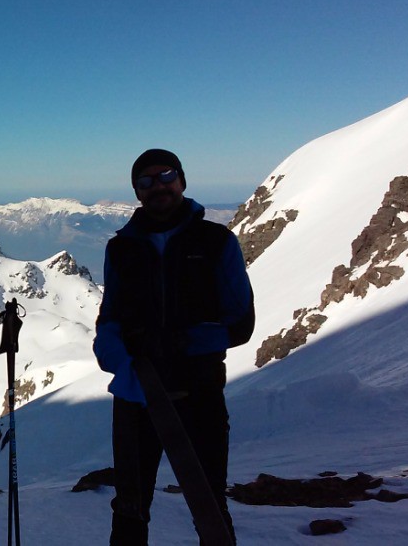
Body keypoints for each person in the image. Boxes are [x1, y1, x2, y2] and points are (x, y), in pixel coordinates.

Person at [93, 149, 254, 545]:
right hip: (137, 393)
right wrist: (115, 355)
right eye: (146, 181)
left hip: (198, 392)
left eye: (165, 175)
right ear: (137, 192)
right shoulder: (121, 248)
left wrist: (180, 343)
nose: (158, 186)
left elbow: (240, 324)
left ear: (181, 180)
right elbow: (109, 316)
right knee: (130, 507)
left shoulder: (216, 242)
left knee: (209, 505)